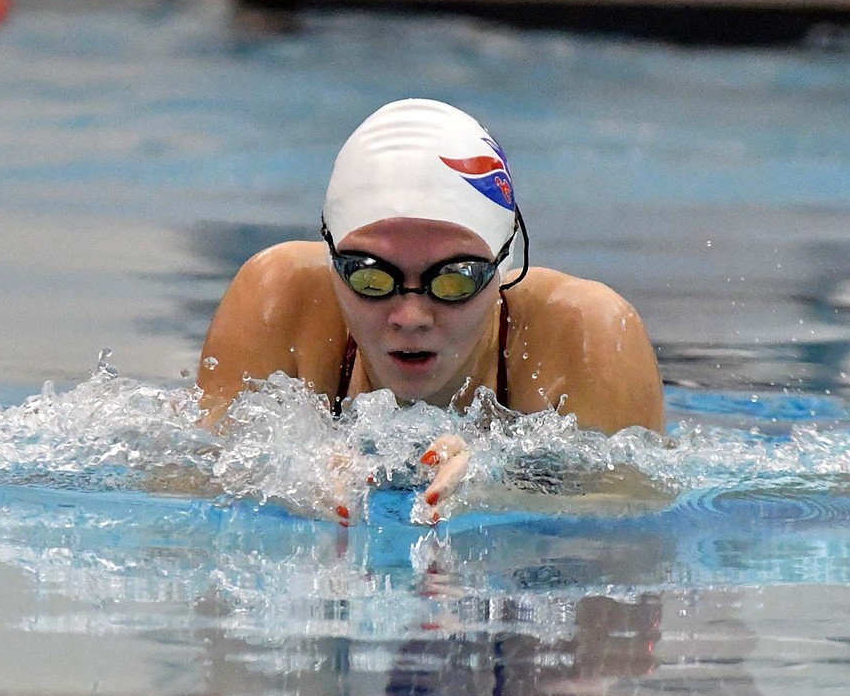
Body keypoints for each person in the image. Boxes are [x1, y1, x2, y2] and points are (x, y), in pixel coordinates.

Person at [198, 98, 664, 524]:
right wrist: (283, 480)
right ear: (332, 262)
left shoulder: (584, 332)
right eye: (369, 274)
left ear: (503, 262)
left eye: (455, 277)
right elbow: (184, 483)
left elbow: (637, 520)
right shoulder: (281, 301)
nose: (412, 316)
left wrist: (500, 487)